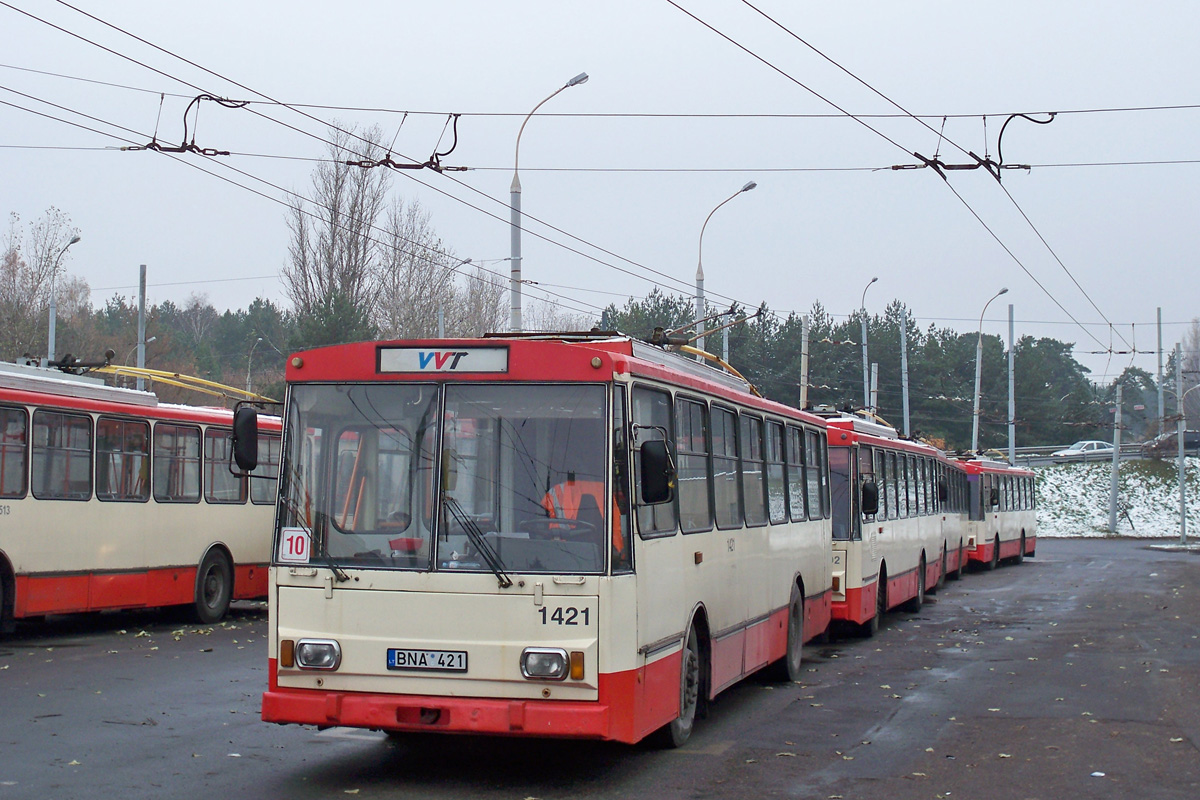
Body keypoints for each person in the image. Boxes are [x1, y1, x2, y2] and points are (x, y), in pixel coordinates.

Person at [541, 472, 626, 560]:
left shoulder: (556, 491)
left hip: (558, 554)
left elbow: (541, 519)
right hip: (601, 555)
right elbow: (615, 527)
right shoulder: (604, 490)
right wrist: (618, 556)